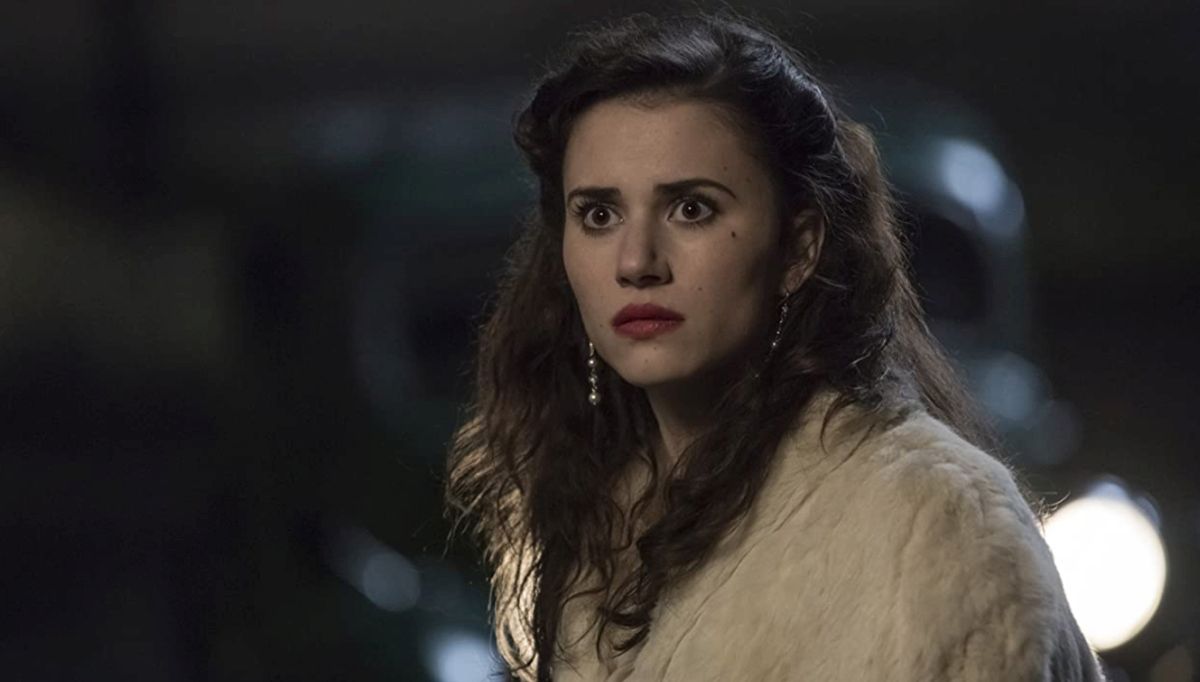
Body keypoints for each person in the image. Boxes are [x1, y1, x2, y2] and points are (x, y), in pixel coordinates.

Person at [444, 10, 1105, 681]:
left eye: (692, 208)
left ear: (798, 248)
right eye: (599, 214)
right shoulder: (592, 533)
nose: (636, 261)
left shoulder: (940, 528)